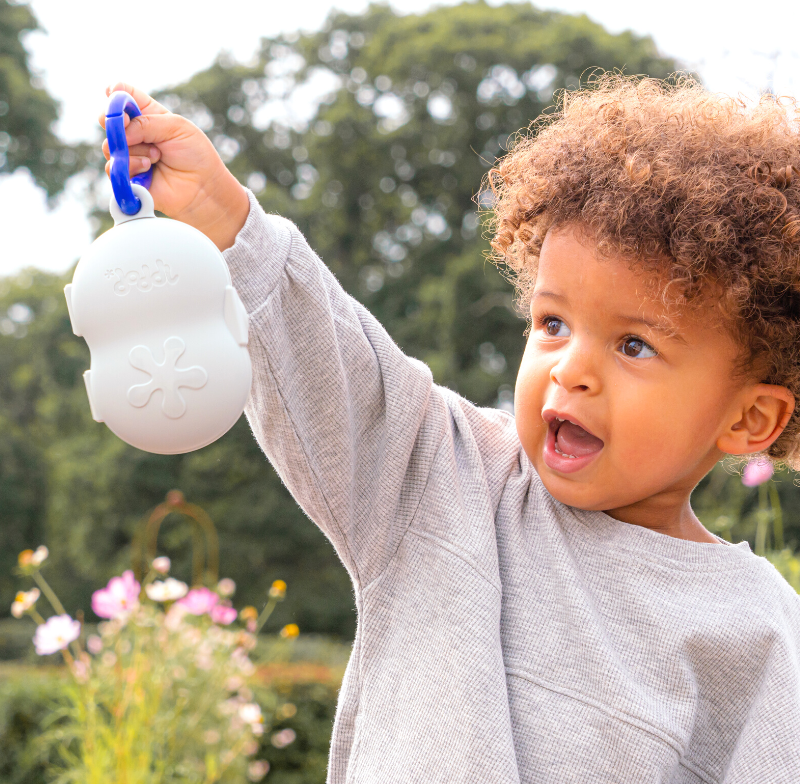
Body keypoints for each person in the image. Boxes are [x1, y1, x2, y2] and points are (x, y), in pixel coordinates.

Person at [100, 74, 800, 783]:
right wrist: (221, 214)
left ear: (750, 419)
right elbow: (334, 369)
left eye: (634, 346)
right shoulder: (446, 480)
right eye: (553, 323)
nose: (570, 371)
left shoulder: (760, 632)